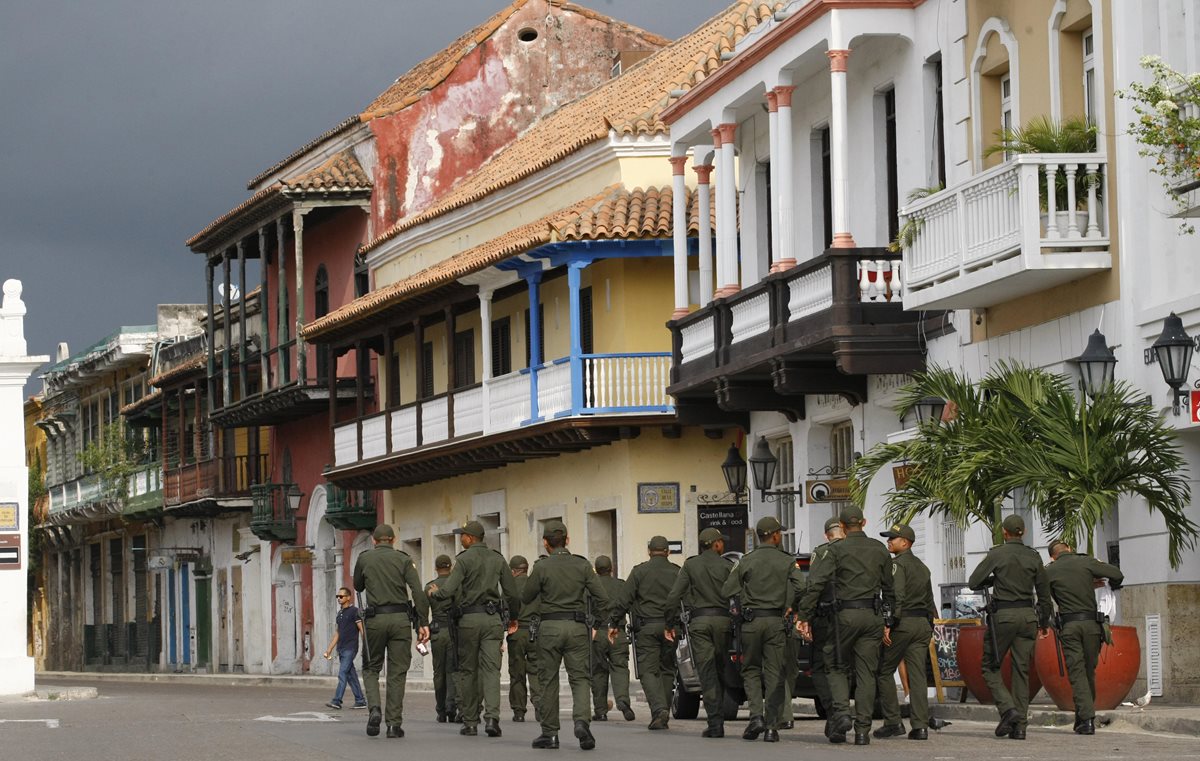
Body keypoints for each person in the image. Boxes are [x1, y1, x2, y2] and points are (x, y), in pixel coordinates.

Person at [795, 505, 894, 746]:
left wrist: (804, 616)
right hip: (872, 615)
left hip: (843, 617)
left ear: (842, 525)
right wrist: (889, 620)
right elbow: (890, 589)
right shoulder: (879, 549)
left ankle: (840, 714)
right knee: (866, 673)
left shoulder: (836, 550)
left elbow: (817, 583)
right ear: (864, 522)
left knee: (835, 665)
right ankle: (862, 730)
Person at [428, 520, 519, 738]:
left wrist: (435, 594)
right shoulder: (497, 559)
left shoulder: (463, 560)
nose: (461, 539)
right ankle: (492, 719)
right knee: (491, 671)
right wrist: (512, 619)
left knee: (468, 670)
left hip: (468, 621)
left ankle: (470, 721)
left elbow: (449, 589)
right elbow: (512, 594)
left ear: (470, 538)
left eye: (463, 535)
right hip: (492, 620)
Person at [525, 519, 611, 750]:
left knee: (548, 680)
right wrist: (598, 624)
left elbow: (526, 595)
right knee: (581, 678)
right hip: (577, 628)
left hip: (550, 628)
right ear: (567, 540)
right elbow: (602, 598)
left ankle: (550, 733)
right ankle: (582, 721)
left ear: (545, 543)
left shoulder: (541, 567)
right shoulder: (582, 566)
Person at [967, 514, 1053, 741]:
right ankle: (1020, 727)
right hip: (1028, 616)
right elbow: (1044, 593)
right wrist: (1044, 622)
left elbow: (974, 582)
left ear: (1005, 533)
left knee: (989, 666)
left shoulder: (997, 553)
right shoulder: (1033, 556)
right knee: (1021, 671)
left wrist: (995, 579)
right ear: (1023, 532)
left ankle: (1008, 709)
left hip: (1003, 616)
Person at [721, 516, 803, 743]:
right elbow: (801, 585)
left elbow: (728, 589)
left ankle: (756, 716)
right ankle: (771, 727)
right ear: (775, 536)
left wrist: (745, 599)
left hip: (751, 622)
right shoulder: (786, 560)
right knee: (775, 673)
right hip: (776, 622)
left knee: (751, 670)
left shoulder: (746, 560)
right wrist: (789, 604)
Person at [353, 523, 431, 739]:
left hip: (375, 620)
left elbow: (357, 586)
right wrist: (423, 622)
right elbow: (417, 591)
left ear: (374, 541)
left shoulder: (364, 558)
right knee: (397, 673)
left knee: (370, 668)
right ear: (394, 540)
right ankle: (394, 725)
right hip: (400, 620)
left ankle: (375, 708)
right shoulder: (404, 559)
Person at [1045, 540, 1124, 735]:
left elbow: (1045, 600)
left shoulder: (1050, 571)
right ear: (1069, 549)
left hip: (1070, 626)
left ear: (1052, 556)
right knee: (1088, 671)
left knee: (1077, 671)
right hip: (1092, 626)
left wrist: (1044, 624)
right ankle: (1083, 716)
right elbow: (1117, 574)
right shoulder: (1086, 562)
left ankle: (1087, 718)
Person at [663, 527, 734, 738]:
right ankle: (719, 713)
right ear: (717, 544)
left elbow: (674, 596)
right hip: (723, 621)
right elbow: (739, 593)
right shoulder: (727, 566)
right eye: (722, 542)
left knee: (707, 671)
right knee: (720, 668)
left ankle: (715, 723)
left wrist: (669, 623)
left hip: (700, 622)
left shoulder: (690, 566)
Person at [873, 523, 937, 741]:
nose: (889, 541)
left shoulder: (897, 566)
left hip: (904, 622)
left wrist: (888, 623)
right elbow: (930, 600)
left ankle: (893, 722)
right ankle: (920, 726)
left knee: (883, 669)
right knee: (918, 673)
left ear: (906, 543)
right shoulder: (922, 566)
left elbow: (896, 596)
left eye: (893, 538)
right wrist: (931, 625)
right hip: (922, 623)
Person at [612, 535, 681, 730]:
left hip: (647, 627)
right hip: (671, 628)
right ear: (668, 552)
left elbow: (624, 599)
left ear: (649, 551)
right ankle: (663, 710)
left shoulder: (639, 572)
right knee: (667, 668)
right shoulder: (677, 572)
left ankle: (659, 710)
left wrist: (613, 622)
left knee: (648, 670)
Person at [807, 516, 845, 720]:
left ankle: (834, 711)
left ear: (826, 535)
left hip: (826, 618)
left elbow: (814, 586)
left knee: (822, 665)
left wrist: (805, 616)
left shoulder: (822, 553)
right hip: (859, 616)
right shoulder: (860, 550)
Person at [591, 555, 635, 723]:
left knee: (598, 672)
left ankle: (601, 710)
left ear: (596, 570)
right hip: (618, 631)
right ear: (611, 569)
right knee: (620, 669)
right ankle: (623, 701)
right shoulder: (621, 585)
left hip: (598, 632)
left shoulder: (591, 586)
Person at [507, 554, 543, 723]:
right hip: (535, 631)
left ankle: (519, 711)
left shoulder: (510, 585)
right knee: (536, 670)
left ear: (513, 571)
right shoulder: (535, 584)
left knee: (517, 672)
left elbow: (504, 608)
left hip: (516, 631)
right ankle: (538, 703)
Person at [425, 554, 460, 723]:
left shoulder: (429, 587)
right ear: (451, 567)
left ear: (436, 568)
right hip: (454, 631)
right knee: (453, 670)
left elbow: (422, 612)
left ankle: (440, 710)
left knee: (438, 672)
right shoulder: (456, 585)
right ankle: (451, 706)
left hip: (437, 632)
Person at [322, 586, 368, 710]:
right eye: (337, 596)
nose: (338, 598)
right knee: (350, 675)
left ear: (348, 597)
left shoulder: (355, 611)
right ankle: (360, 700)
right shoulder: (340, 613)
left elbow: (362, 629)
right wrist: (329, 649)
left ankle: (337, 701)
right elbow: (338, 633)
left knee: (342, 673)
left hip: (350, 648)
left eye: (341, 596)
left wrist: (366, 647)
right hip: (341, 648)